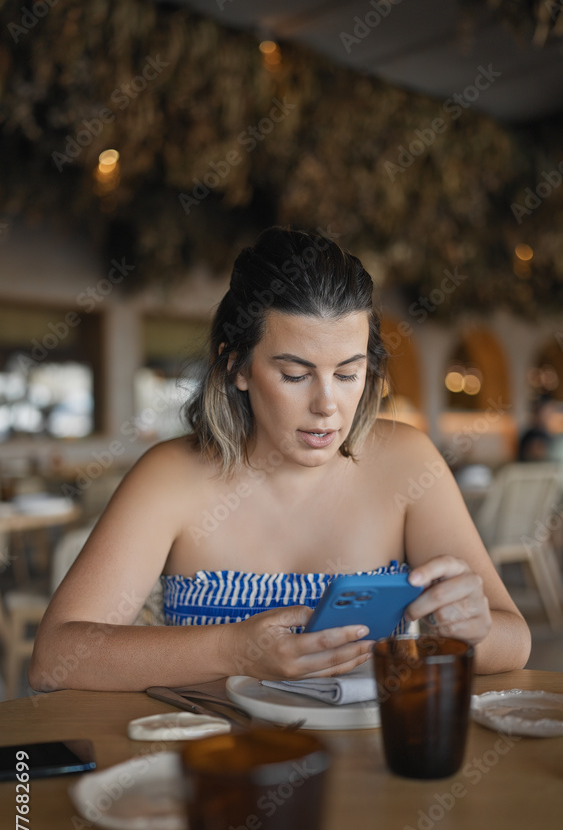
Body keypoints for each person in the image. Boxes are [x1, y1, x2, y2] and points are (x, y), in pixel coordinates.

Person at [29, 227, 530, 693]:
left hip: (374, 771)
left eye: (348, 374)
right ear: (237, 366)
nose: (327, 406)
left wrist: (472, 631)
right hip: (219, 769)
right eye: (295, 375)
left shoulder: (407, 462)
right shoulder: (171, 477)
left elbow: (515, 640)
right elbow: (55, 658)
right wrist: (235, 650)